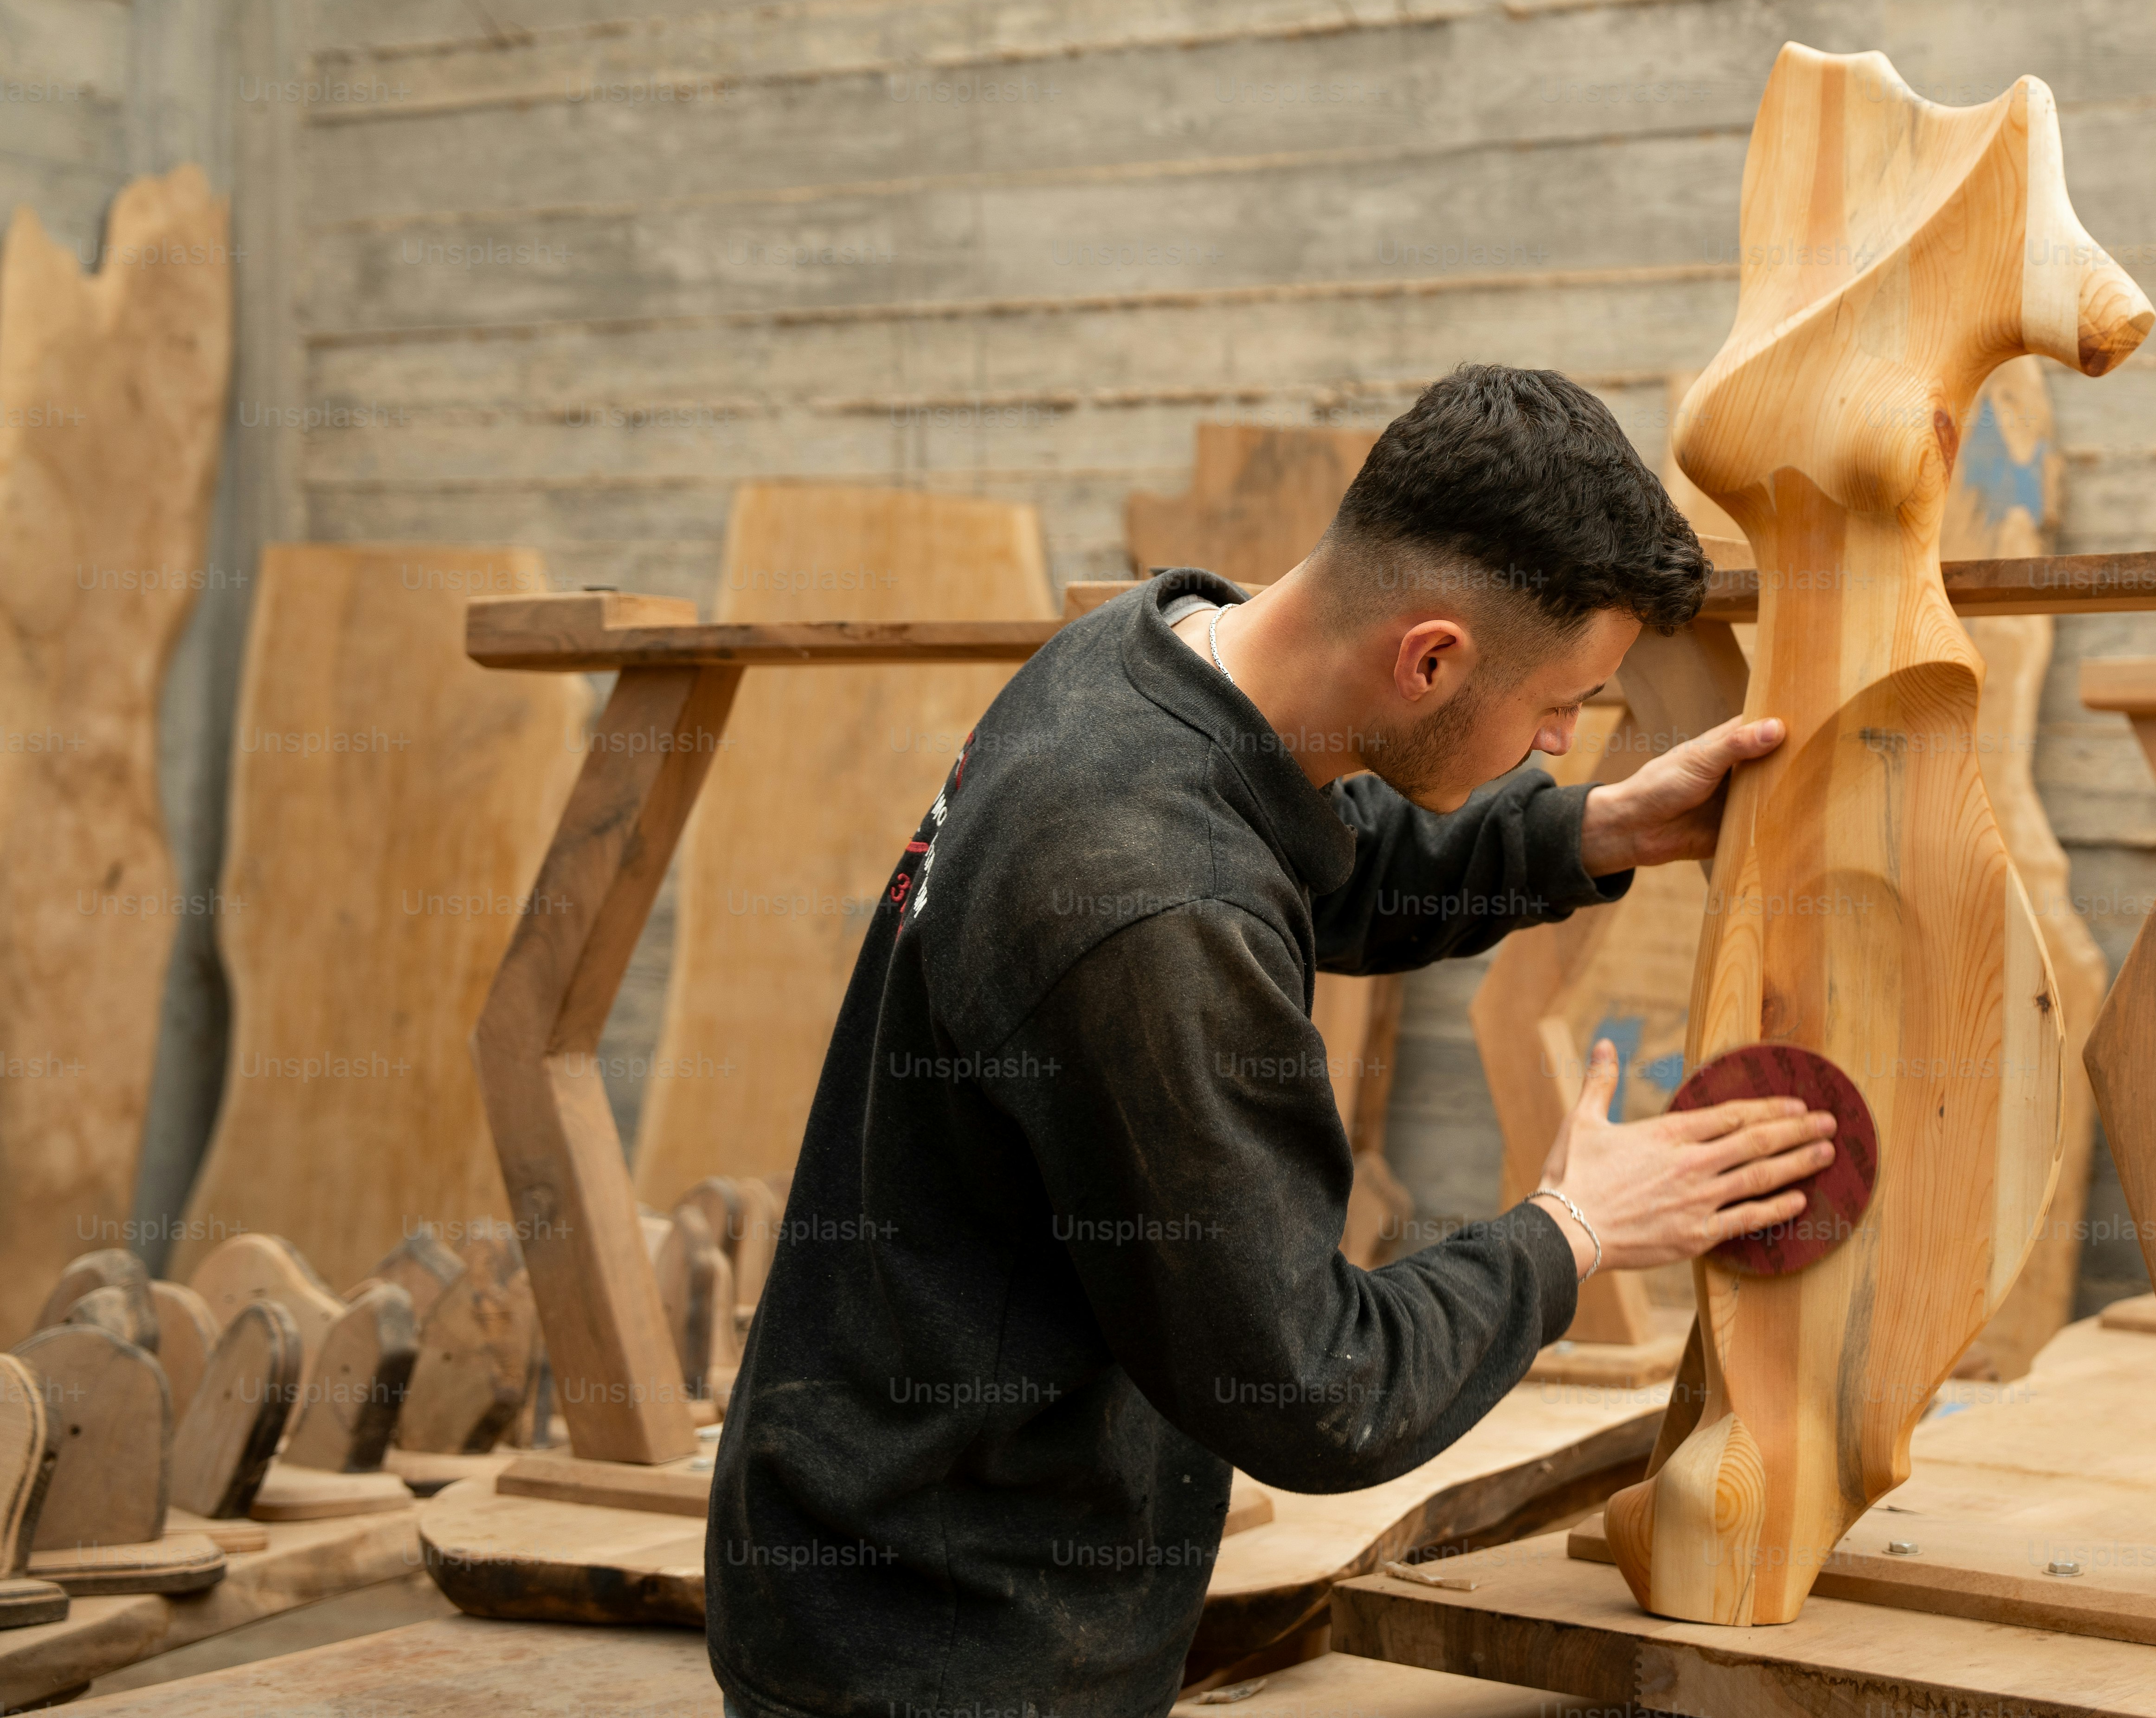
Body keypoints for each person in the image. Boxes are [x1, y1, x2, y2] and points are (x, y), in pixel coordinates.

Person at [705, 364, 1835, 1718]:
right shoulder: (1149, 902)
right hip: (945, 1636)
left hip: (900, 1536)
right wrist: (1573, 1232)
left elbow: (1312, 861)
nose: (1557, 740)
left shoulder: (1146, 659)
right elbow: (1311, 1384)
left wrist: (1579, 830)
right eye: (1562, 708)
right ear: (1430, 657)